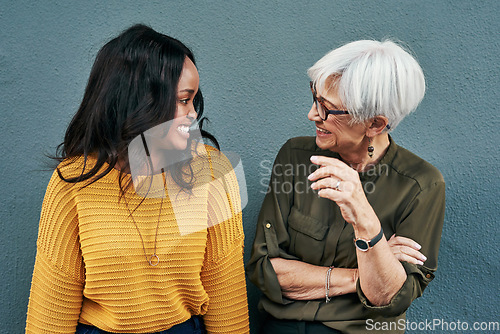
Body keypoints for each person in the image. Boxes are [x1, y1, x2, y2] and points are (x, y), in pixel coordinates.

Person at [26, 24, 249, 334]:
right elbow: (49, 314)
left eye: (193, 101)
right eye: (183, 100)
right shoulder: (72, 183)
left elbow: (228, 298)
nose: (192, 116)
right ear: (140, 101)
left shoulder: (211, 171)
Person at [246, 39, 445, 333]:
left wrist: (363, 214)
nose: (313, 115)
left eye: (329, 109)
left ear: (375, 125)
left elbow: (387, 297)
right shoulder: (296, 156)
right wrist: (362, 274)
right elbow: (265, 269)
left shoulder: (421, 186)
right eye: (316, 99)